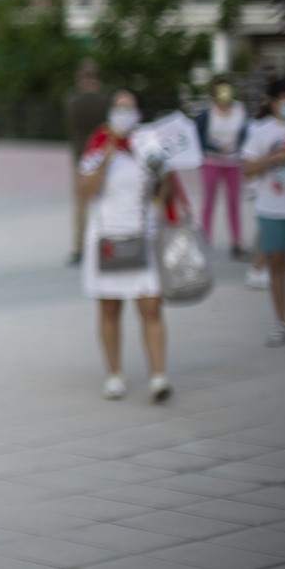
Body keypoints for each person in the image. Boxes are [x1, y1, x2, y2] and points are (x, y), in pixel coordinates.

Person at [78, 90, 174, 403]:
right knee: (110, 308)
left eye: (129, 108)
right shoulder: (97, 144)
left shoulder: (150, 144)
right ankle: (114, 374)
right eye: (118, 107)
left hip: (142, 236)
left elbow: (166, 193)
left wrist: (163, 170)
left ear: (138, 113)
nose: (124, 113)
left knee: (150, 306)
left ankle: (158, 376)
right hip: (107, 238)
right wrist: (106, 156)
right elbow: (85, 191)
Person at [241, 76, 285, 347]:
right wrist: (271, 159)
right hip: (270, 209)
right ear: (273, 102)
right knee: (276, 266)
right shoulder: (261, 131)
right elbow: (247, 170)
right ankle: (282, 322)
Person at [194, 76, 248, 258]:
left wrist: (239, 148)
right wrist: (215, 147)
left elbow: (245, 134)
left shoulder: (240, 110)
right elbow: (198, 138)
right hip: (212, 160)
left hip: (233, 160)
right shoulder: (207, 113)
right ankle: (205, 240)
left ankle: (236, 241)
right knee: (208, 201)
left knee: (233, 201)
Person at [65, 59, 111, 265]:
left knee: (80, 204)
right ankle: (105, 243)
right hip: (104, 156)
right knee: (106, 200)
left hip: (81, 156)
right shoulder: (106, 99)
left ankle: (79, 247)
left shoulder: (72, 100)